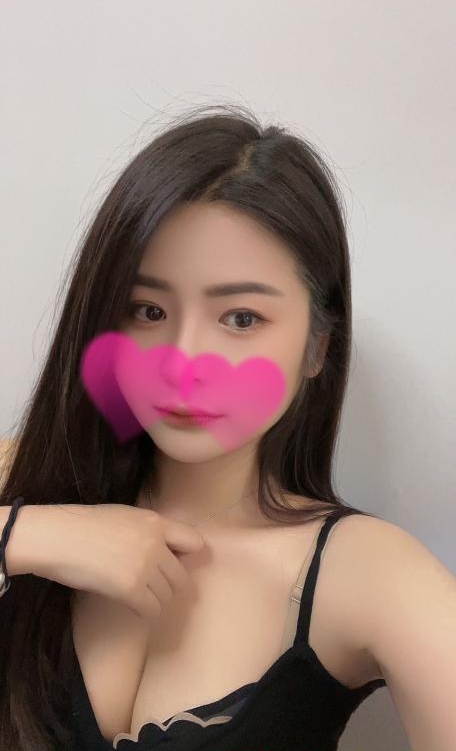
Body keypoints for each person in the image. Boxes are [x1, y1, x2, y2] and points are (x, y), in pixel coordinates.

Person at [1, 104, 455, 751]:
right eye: (148, 310)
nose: (183, 363)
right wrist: (24, 535)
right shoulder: (23, 487)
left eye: (241, 319)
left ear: (318, 346)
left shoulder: (365, 573)